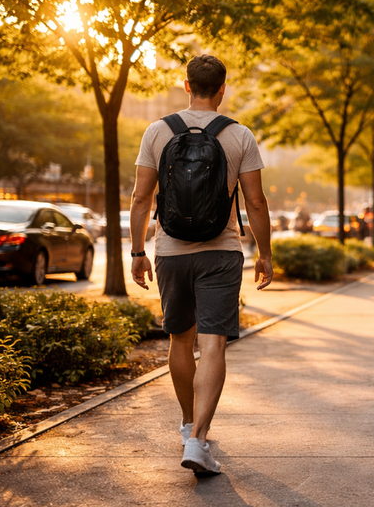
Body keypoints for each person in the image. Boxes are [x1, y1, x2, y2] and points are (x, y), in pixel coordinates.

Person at [129, 54, 273, 475]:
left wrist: (138, 252)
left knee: (179, 340)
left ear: (186, 85)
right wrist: (265, 254)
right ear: (223, 88)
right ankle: (198, 440)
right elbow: (256, 202)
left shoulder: (158, 131)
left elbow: (140, 199)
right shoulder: (239, 135)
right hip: (221, 251)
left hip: (170, 252)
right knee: (212, 344)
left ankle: (190, 424)